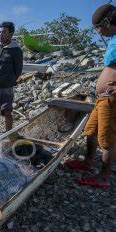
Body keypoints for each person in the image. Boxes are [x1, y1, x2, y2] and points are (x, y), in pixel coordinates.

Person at [65, 4, 116, 189]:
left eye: (98, 27)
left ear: (108, 22)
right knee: (91, 130)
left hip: (111, 99)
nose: (98, 32)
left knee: (106, 139)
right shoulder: (113, 40)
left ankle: (104, 177)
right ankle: (88, 162)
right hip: (102, 98)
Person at [0, 21, 23, 142]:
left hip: (6, 87)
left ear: (11, 34)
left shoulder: (16, 50)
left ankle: (8, 134)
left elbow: (18, 70)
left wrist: (9, 80)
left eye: (4, 32)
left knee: (7, 112)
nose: (0, 34)